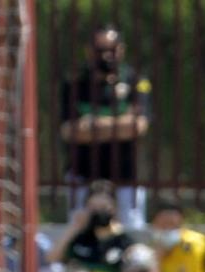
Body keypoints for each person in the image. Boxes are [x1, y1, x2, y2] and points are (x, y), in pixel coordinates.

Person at [58, 25, 153, 230]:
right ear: (88, 51)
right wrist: (120, 124)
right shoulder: (73, 83)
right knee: (80, 230)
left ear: (121, 49)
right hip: (82, 173)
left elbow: (137, 127)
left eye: (111, 49)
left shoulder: (137, 82)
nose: (106, 56)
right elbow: (69, 131)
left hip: (126, 175)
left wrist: (91, 125)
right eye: (100, 50)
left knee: (131, 231)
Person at [59, 183, 142, 272]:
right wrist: (74, 228)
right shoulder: (80, 239)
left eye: (103, 207)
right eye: (93, 208)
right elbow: (52, 257)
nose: (98, 212)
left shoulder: (124, 242)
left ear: (114, 209)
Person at [148, 201, 205, 272]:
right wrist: (158, 259)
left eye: (172, 225)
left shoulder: (193, 244)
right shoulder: (155, 247)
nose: (167, 229)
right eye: (163, 225)